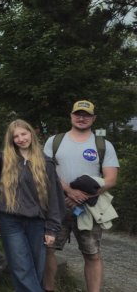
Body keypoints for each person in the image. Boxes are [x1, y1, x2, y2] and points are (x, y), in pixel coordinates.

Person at [44, 101, 119, 292]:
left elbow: (110, 179)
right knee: (47, 249)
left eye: (86, 115)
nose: (81, 118)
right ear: (71, 116)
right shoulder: (54, 141)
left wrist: (82, 195)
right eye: (78, 114)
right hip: (57, 206)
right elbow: (45, 172)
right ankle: (48, 289)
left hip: (88, 210)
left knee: (92, 254)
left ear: (93, 118)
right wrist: (68, 191)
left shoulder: (103, 145)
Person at [0, 119, 64, 292]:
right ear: (11, 140)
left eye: (24, 134)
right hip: (9, 219)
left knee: (37, 267)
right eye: (16, 136)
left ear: (31, 133)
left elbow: (54, 199)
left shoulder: (46, 163)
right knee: (21, 265)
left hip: (37, 221)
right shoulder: (3, 159)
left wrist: (52, 228)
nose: (21, 139)